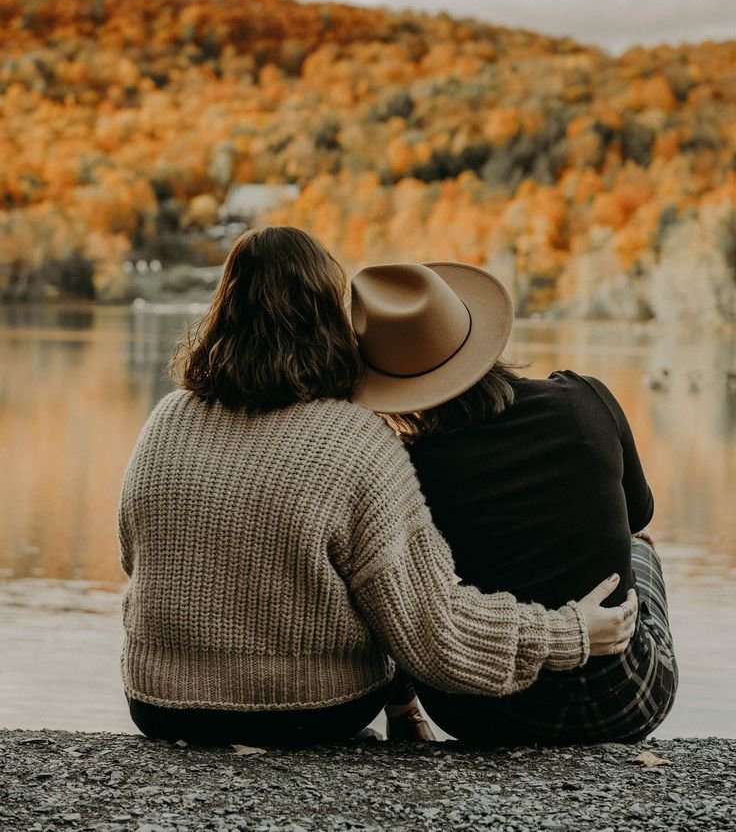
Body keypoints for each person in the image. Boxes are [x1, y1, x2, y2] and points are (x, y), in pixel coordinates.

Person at [117, 226, 636, 748]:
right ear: (330, 318)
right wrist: (570, 632)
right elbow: (434, 631)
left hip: (158, 705)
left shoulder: (166, 420)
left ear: (221, 308)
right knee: (383, 590)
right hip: (305, 712)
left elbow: (134, 557)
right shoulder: (356, 439)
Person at [350, 260, 678, 746]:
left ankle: (404, 710)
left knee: (394, 575)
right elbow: (639, 515)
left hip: (479, 713)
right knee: (640, 547)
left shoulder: (406, 469)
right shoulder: (585, 399)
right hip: (626, 701)